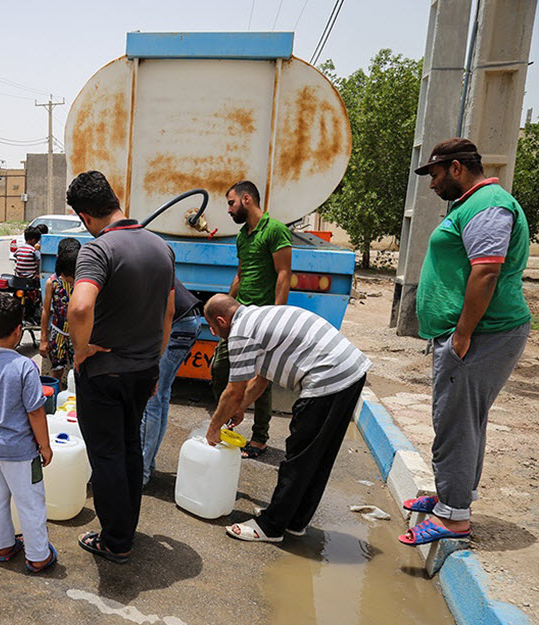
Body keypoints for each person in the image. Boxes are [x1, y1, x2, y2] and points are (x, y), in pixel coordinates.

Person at [399, 138, 531, 546]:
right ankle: (453, 498)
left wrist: (463, 333)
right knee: (465, 419)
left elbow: (487, 272)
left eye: (435, 175)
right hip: (476, 332)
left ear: (456, 168)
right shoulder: (471, 203)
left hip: (484, 333)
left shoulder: (489, 206)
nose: (433, 185)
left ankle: (454, 519)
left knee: (454, 421)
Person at [66, 170, 175, 563]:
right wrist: (155, 362)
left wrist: (81, 351)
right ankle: (126, 528)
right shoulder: (161, 247)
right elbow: (168, 312)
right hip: (144, 369)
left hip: (105, 372)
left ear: (84, 216)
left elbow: (79, 306)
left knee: (108, 456)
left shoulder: (98, 250)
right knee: (130, 448)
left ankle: (115, 540)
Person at [203, 294, 371, 543]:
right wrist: (242, 408)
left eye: (214, 329)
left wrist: (214, 426)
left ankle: (271, 527)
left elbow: (233, 391)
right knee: (317, 455)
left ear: (221, 320)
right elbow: (261, 377)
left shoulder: (240, 333)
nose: (215, 333)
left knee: (298, 455)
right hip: (349, 371)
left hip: (328, 378)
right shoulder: (258, 317)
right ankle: (294, 519)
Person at [0, 293, 57, 573]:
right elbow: (35, 412)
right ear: (19, 330)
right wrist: (44, 446)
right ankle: (38, 555)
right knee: (31, 502)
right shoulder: (24, 367)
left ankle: (3, 546)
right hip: (20, 451)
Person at [210, 180, 292, 459]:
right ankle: (229, 415)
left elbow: (283, 274)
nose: (229, 210)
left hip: (265, 315)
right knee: (220, 367)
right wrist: (226, 302)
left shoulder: (276, 230)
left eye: (231, 203)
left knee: (262, 376)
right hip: (239, 314)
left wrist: (277, 316)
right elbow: (240, 273)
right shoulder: (242, 236)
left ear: (247, 200)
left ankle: (259, 438)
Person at [140, 280, 203, 486]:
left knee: (152, 397)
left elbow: (167, 314)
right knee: (162, 395)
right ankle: (147, 465)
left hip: (178, 324)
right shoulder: (146, 261)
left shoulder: (132, 270)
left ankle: (141, 472)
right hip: (188, 321)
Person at [39, 238, 79, 391]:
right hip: (58, 332)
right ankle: (58, 399)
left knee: (80, 369)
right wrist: (43, 339)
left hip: (77, 333)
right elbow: (45, 310)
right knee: (57, 370)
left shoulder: (81, 281)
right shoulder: (52, 283)